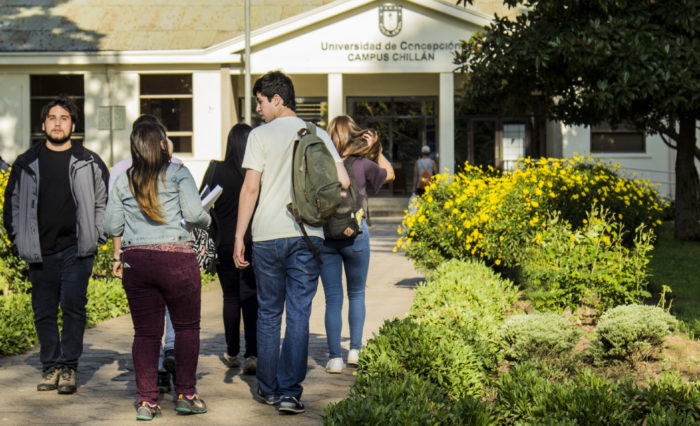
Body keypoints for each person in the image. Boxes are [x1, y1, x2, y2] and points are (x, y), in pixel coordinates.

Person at [234, 71, 350, 415]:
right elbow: (342, 182)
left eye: (260, 100)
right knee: (298, 314)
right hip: (307, 236)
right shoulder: (316, 134)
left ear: (277, 99)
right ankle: (289, 393)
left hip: (268, 235)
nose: (257, 108)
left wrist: (240, 236)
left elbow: (250, 188)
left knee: (269, 313)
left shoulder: (260, 136)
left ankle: (267, 389)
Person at [103, 121, 210, 420]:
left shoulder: (124, 180)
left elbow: (110, 226)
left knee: (146, 334)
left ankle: (147, 402)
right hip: (177, 258)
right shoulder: (178, 173)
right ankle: (187, 395)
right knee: (187, 328)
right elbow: (193, 214)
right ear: (163, 144)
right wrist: (207, 220)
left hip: (136, 261)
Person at [2, 95, 109, 394]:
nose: (58, 123)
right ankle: (50, 367)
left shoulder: (89, 161)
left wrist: (97, 233)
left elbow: (104, 201)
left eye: (64, 118)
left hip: (77, 250)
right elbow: (11, 205)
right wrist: (18, 239)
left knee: (74, 308)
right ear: (43, 124)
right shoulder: (26, 163)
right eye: (52, 118)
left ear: (73, 124)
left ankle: (69, 368)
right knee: (44, 311)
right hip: (40, 251)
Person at [108, 114, 180, 394]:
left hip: (136, 252)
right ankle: (172, 350)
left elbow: (113, 219)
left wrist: (117, 254)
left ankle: (158, 373)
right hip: (172, 249)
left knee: (147, 321)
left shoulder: (121, 170)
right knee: (173, 306)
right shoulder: (175, 166)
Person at [321, 115, 394, 374]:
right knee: (357, 294)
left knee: (332, 299)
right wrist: (377, 150)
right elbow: (391, 174)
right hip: (356, 234)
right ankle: (354, 350)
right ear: (354, 135)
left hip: (327, 236)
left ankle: (334, 359)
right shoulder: (363, 164)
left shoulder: (325, 164)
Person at [200, 123, 258, 375]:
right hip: (253, 242)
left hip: (224, 242)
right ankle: (253, 353)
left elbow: (200, 204)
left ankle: (232, 351)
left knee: (231, 297)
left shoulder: (216, 170)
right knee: (251, 297)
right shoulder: (256, 172)